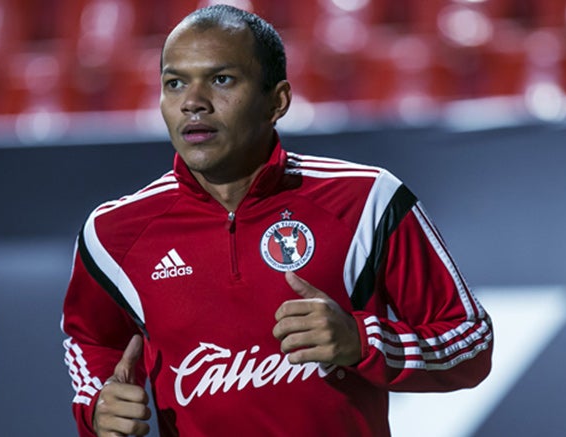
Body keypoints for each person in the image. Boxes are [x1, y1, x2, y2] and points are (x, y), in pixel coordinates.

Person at [62, 4, 493, 436]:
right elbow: (91, 342)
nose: (193, 103)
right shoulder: (114, 233)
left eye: (221, 80)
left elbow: (471, 342)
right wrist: (98, 405)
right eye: (174, 83)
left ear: (277, 101)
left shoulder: (367, 201)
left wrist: (362, 342)